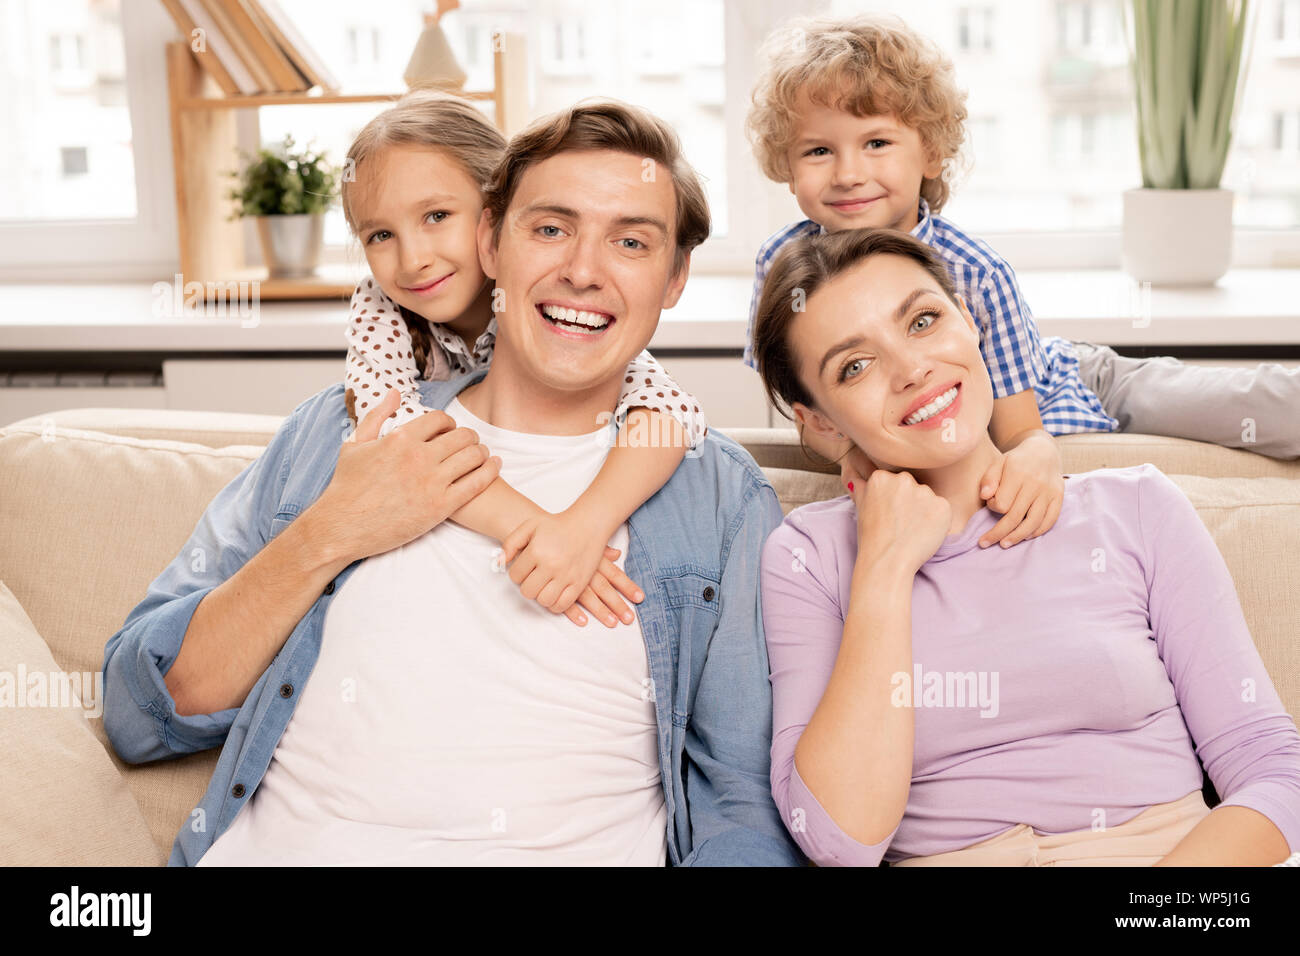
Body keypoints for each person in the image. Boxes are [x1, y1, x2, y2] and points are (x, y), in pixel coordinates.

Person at [102, 100, 803, 867]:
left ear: (674, 279)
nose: (582, 269)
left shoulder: (718, 498)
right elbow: (138, 715)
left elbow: (746, 808)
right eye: (550, 228)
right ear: (492, 241)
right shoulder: (336, 432)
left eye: (631, 241)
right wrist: (331, 532)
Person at [753, 227, 1300, 866]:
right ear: (819, 420)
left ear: (971, 323)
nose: (911, 370)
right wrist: (885, 564)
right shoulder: (808, 556)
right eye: (855, 365)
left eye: (924, 321)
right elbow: (840, 842)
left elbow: (1273, 772)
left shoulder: (1136, 508)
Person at [743, 13, 1300, 550]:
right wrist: (848, 455)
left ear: (931, 153)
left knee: (1253, 403)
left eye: (877, 143)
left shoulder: (977, 271)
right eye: (818, 150)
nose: (848, 173)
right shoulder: (782, 267)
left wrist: (1034, 449)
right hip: (1025, 378)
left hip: (1070, 378)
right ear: (786, 167)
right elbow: (809, 411)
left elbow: (1020, 431)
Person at [339, 90, 708, 630]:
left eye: (437, 216)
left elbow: (671, 410)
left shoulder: (557, 303)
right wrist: (540, 532)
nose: (413, 258)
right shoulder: (380, 304)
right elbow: (392, 432)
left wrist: (586, 526)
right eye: (380, 235)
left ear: (493, 218)